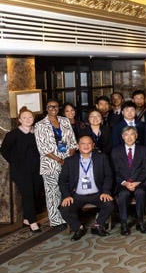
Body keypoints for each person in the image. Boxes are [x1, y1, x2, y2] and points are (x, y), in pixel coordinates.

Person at [58, 135, 114, 240]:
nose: (86, 146)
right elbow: (62, 181)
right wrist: (67, 195)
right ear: (78, 146)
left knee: (109, 204)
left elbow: (108, 176)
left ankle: (97, 225)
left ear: (93, 145)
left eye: (89, 143)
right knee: (64, 209)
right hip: (77, 195)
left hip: (97, 194)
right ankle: (78, 228)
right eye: (83, 144)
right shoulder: (69, 161)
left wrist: (106, 191)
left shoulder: (102, 158)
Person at [35, 99, 78, 228]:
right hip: (50, 163)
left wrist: (69, 158)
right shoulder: (40, 125)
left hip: (67, 161)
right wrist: (59, 160)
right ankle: (56, 221)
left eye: (56, 106)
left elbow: (72, 141)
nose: (53, 108)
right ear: (46, 108)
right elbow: (42, 148)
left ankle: (67, 217)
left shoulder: (64, 121)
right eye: (50, 106)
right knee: (53, 193)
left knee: (66, 191)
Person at [1, 107, 44, 232]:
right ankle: (33, 222)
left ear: (33, 118)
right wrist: (15, 162)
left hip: (36, 169)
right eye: (24, 118)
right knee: (28, 194)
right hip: (21, 171)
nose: (28, 119)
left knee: (36, 193)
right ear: (20, 120)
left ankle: (26, 218)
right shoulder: (13, 134)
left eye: (30, 117)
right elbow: (4, 150)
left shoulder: (37, 132)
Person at [111, 126, 146, 235]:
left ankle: (140, 222)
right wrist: (125, 183)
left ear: (136, 136)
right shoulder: (116, 151)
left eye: (132, 134)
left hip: (140, 182)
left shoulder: (144, 150)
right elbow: (115, 171)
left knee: (140, 193)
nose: (129, 137)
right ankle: (124, 224)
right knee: (123, 194)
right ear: (122, 137)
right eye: (126, 135)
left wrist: (137, 182)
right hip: (123, 183)